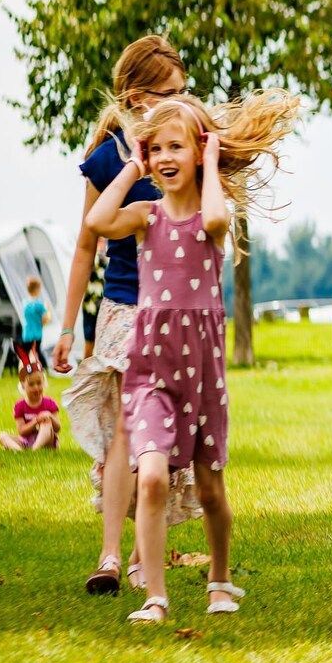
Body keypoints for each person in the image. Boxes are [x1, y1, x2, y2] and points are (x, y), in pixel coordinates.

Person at [86, 89, 299, 624]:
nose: (165, 157)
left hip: (201, 375)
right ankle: (155, 596)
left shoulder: (210, 218)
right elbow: (97, 222)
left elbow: (217, 219)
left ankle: (219, 579)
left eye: (176, 147)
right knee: (152, 477)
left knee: (210, 488)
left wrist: (212, 158)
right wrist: (132, 167)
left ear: (198, 152)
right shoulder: (144, 215)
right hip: (150, 371)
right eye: (157, 148)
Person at [51, 34, 203, 595]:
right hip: (124, 309)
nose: (179, 101)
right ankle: (111, 556)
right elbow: (85, 245)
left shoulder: (185, 146)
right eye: (169, 93)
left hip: (176, 308)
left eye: (184, 92)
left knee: (159, 438)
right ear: (137, 97)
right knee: (125, 433)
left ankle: (142, 555)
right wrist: (68, 327)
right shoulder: (108, 158)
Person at [0, 363, 62, 450]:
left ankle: (35, 449)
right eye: (31, 384)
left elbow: (58, 428)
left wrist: (50, 417)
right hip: (26, 441)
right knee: (2, 436)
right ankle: (19, 451)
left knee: (46, 424)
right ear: (23, 386)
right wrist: (36, 421)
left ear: (43, 383)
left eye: (39, 383)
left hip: (47, 442)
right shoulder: (19, 406)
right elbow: (21, 431)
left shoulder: (50, 403)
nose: (36, 387)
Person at [16, 277, 49, 371]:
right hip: (36, 333)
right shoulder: (39, 304)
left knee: (26, 352)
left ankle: (24, 368)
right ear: (37, 289)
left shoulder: (24, 302)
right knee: (36, 352)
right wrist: (47, 309)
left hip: (26, 333)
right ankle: (43, 368)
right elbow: (45, 320)